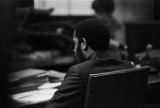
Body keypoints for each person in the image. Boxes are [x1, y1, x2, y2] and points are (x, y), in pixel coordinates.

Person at [45, 18, 133, 108]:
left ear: (83, 43)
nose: (74, 49)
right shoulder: (128, 67)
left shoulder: (79, 72)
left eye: (75, 43)